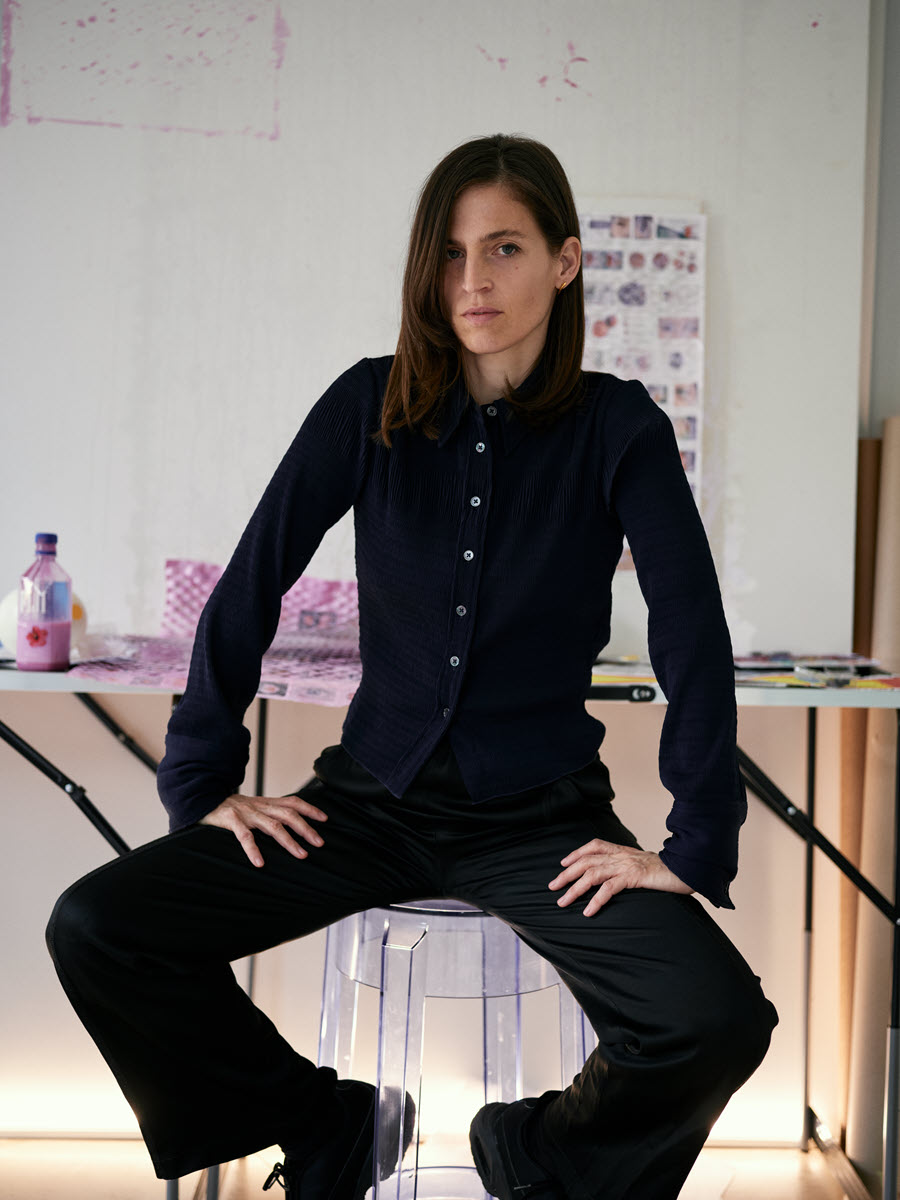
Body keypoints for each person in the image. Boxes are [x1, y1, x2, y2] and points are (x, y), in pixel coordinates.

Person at [47, 134, 778, 1200]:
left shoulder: (618, 427)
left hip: (540, 823)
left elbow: (691, 634)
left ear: (565, 262)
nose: (472, 279)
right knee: (99, 928)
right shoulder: (368, 404)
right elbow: (251, 583)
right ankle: (327, 1122)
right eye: (448, 253)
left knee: (715, 1021)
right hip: (365, 808)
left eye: (504, 248)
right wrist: (201, 782)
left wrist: (695, 842)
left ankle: (534, 1150)